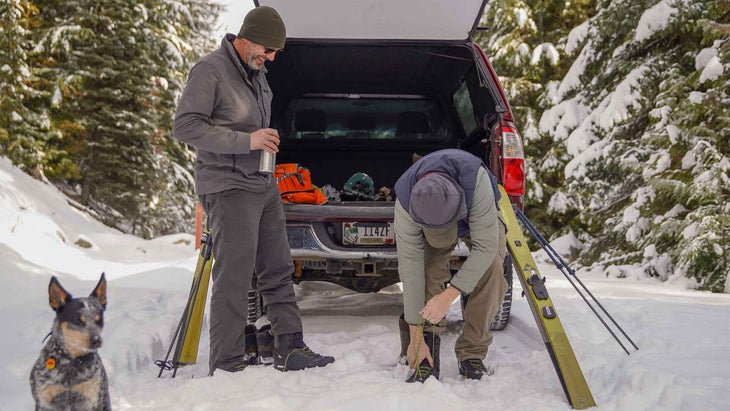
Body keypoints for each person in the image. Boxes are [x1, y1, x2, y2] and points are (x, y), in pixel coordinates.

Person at [173, 6, 334, 375]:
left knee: (278, 268)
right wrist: (248, 140)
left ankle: (290, 347)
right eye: (268, 50)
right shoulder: (211, 70)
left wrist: (263, 144)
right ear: (247, 38)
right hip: (228, 187)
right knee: (234, 277)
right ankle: (227, 362)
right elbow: (185, 126)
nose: (272, 57)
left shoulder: (257, 73)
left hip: (262, 184)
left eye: (275, 52)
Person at [393, 148, 508, 382]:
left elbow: (485, 248)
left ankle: (471, 354)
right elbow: (411, 270)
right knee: (427, 266)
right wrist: (415, 336)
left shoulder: (476, 183)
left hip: (478, 215)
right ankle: (427, 348)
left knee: (493, 268)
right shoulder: (405, 203)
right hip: (434, 223)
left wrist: (449, 295)